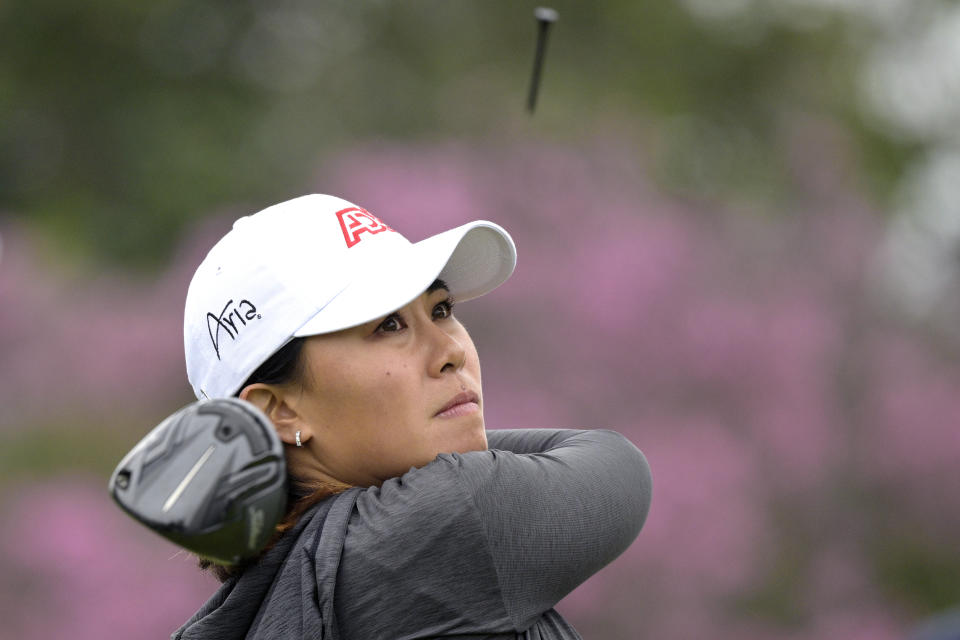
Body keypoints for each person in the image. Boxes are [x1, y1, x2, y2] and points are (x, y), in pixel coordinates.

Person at [173, 194, 652, 640]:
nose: (450, 351)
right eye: (389, 325)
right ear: (276, 410)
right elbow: (617, 465)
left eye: (441, 309)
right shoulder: (440, 524)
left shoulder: (277, 588)